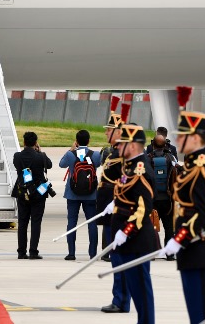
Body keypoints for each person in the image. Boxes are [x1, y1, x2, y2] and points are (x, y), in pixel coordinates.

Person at [159, 87, 205, 324]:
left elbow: (202, 211)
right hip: (192, 244)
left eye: (183, 135)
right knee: (195, 308)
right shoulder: (192, 165)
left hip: (199, 244)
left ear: (196, 137)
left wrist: (180, 237)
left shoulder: (202, 168)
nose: (178, 140)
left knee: (201, 310)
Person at [110, 123, 156, 324]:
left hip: (136, 240)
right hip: (128, 240)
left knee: (141, 292)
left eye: (122, 143)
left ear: (134, 145)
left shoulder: (141, 169)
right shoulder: (128, 166)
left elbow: (142, 209)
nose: (118, 147)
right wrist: (114, 204)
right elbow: (125, 195)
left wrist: (125, 232)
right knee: (136, 290)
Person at [97, 98, 131, 314]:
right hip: (109, 204)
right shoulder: (112, 152)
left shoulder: (123, 155)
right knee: (116, 258)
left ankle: (121, 300)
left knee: (120, 259)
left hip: (117, 207)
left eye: (110, 130)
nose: (106, 133)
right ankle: (119, 299)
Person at [59, 129, 100, 260]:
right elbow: (98, 165)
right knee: (92, 223)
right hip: (90, 193)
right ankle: (92, 253)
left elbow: (61, 164)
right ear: (89, 141)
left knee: (72, 222)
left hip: (73, 193)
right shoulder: (95, 155)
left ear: (76, 141)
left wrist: (71, 150)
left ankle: (71, 253)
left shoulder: (71, 155)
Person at [13, 131, 52, 259]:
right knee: (36, 222)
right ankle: (33, 251)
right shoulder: (41, 156)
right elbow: (49, 165)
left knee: (22, 222)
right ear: (35, 143)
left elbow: (16, 166)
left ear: (24, 142)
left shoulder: (17, 156)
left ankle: (21, 252)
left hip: (22, 192)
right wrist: (39, 152)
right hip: (38, 193)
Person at [145, 132, 178, 258]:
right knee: (169, 227)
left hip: (153, 199)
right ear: (165, 145)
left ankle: (152, 253)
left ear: (153, 144)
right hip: (168, 199)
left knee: (151, 226)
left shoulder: (148, 158)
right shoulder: (171, 158)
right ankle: (170, 254)